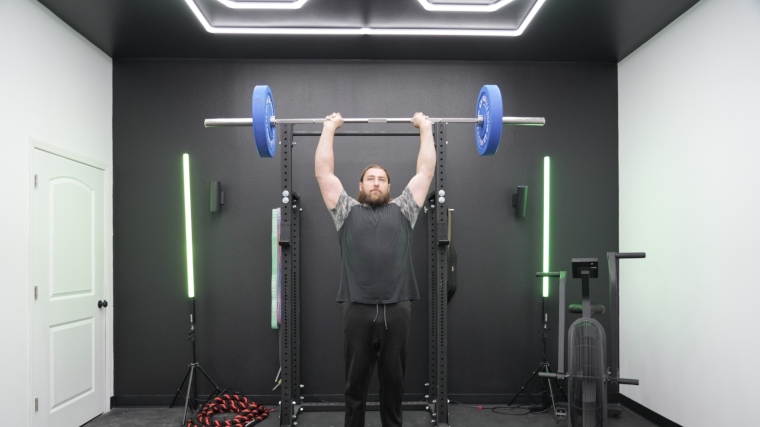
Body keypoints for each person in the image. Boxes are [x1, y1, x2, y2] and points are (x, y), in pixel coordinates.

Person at [315, 112, 436, 427]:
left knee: (393, 385)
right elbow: (324, 173)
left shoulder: (404, 210)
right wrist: (329, 128)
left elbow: (425, 171)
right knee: (354, 386)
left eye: (381, 179)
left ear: (390, 186)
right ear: (360, 185)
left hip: (397, 309)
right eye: (370, 178)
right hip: (356, 309)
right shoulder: (345, 212)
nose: (376, 182)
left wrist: (425, 128)